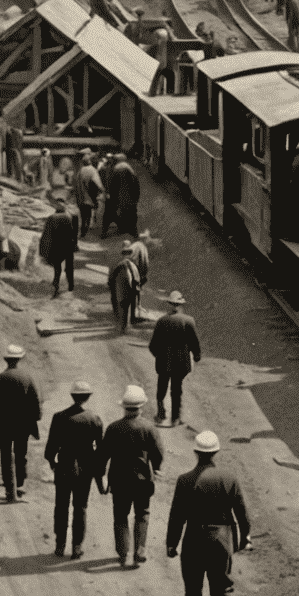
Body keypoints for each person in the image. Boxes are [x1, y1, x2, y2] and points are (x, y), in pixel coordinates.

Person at [166, 429, 252, 596]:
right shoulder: (229, 478)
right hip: (221, 540)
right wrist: (245, 537)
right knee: (221, 589)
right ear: (216, 452)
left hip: (194, 539)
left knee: (193, 591)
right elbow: (241, 512)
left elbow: (177, 515)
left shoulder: (185, 480)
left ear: (196, 452)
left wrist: (171, 543)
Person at [97, 384, 164, 567]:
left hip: (119, 481)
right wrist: (156, 467)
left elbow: (103, 455)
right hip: (142, 480)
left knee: (120, 515)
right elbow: (158, 453)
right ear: (141, 407)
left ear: (124, 407)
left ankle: (122, 552)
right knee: (142, 513)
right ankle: (140, 550)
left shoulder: (113, 428)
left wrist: (100, 476)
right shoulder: (149, 428)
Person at [45, 380, 103, 558]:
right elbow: (100, 450)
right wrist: (98, 472)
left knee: (61, 506)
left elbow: (51, 448)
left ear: (72, 396)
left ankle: (60, 545)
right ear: (88, 397)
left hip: (64, 467)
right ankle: (77, 547)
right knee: (81, 507)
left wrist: (53, 463)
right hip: (85, 469)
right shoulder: (94, 419)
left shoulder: (59, 417)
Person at [0, 343, 42, 504]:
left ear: (6, 359)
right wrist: (36, 417)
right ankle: (20, 485)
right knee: (21, 454)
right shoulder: (28, 378)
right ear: (20, 359)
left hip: (4, 424)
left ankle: (8, 488)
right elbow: (35, 401)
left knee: (5, 455)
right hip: (23, 424)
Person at [150, 291, 202, 425]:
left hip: (163, 362)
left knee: (161, 387)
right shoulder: (188, 321)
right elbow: (194, 342)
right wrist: (196, 356)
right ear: (181, 305)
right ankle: (175, 418)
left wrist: (160, 356)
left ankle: (161, 413)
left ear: (170, 304)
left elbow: (152, 345)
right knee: (176, 389)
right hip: (180, 363)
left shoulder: (161, 321)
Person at [39, 195, 79, 299]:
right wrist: (75, 245)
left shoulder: (52, 218)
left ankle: (59, 286)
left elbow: (46, 234)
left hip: (59, 246)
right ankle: (69, 286)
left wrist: (43, 249)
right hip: (66, 246)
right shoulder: (72, 216)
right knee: (66, 267)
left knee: (60, 268)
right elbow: (75, 233)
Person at [109, 242, 142, 334]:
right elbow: (137, 280)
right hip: (131, 291)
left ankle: (122, 327)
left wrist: (113, 290)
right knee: (128, 308)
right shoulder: (133, 266)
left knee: (122, 308)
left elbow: (112, 279)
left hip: (121, 291)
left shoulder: (119, 265)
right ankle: (126, 327)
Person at [106, 153, 141, 238]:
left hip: (120, 197)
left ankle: (123, 229)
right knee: (132, 214)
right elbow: (136, 185)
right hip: (131, 198)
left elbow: (112, 186)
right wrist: (136, 198)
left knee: (120, 213)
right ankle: (133, 231)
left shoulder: (116, 170)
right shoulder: (130, 170)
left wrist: (111, 196)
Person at [72, 153, 103, 239]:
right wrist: (102, 190)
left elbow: (75, 184)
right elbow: (98, 184)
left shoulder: (80, 171)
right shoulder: (92, 170)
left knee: (82, 216)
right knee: (88, 217)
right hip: (89, 198)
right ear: (89, 161)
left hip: (80, 198)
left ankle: (82, 232)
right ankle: (85, 233)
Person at [151, 27, 175, 95]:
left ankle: (168, 92)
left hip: (162, 64)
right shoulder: (158, 44)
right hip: (159, 64)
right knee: (158, 77)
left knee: (170, 75)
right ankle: (154, 92)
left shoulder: (162, 43)